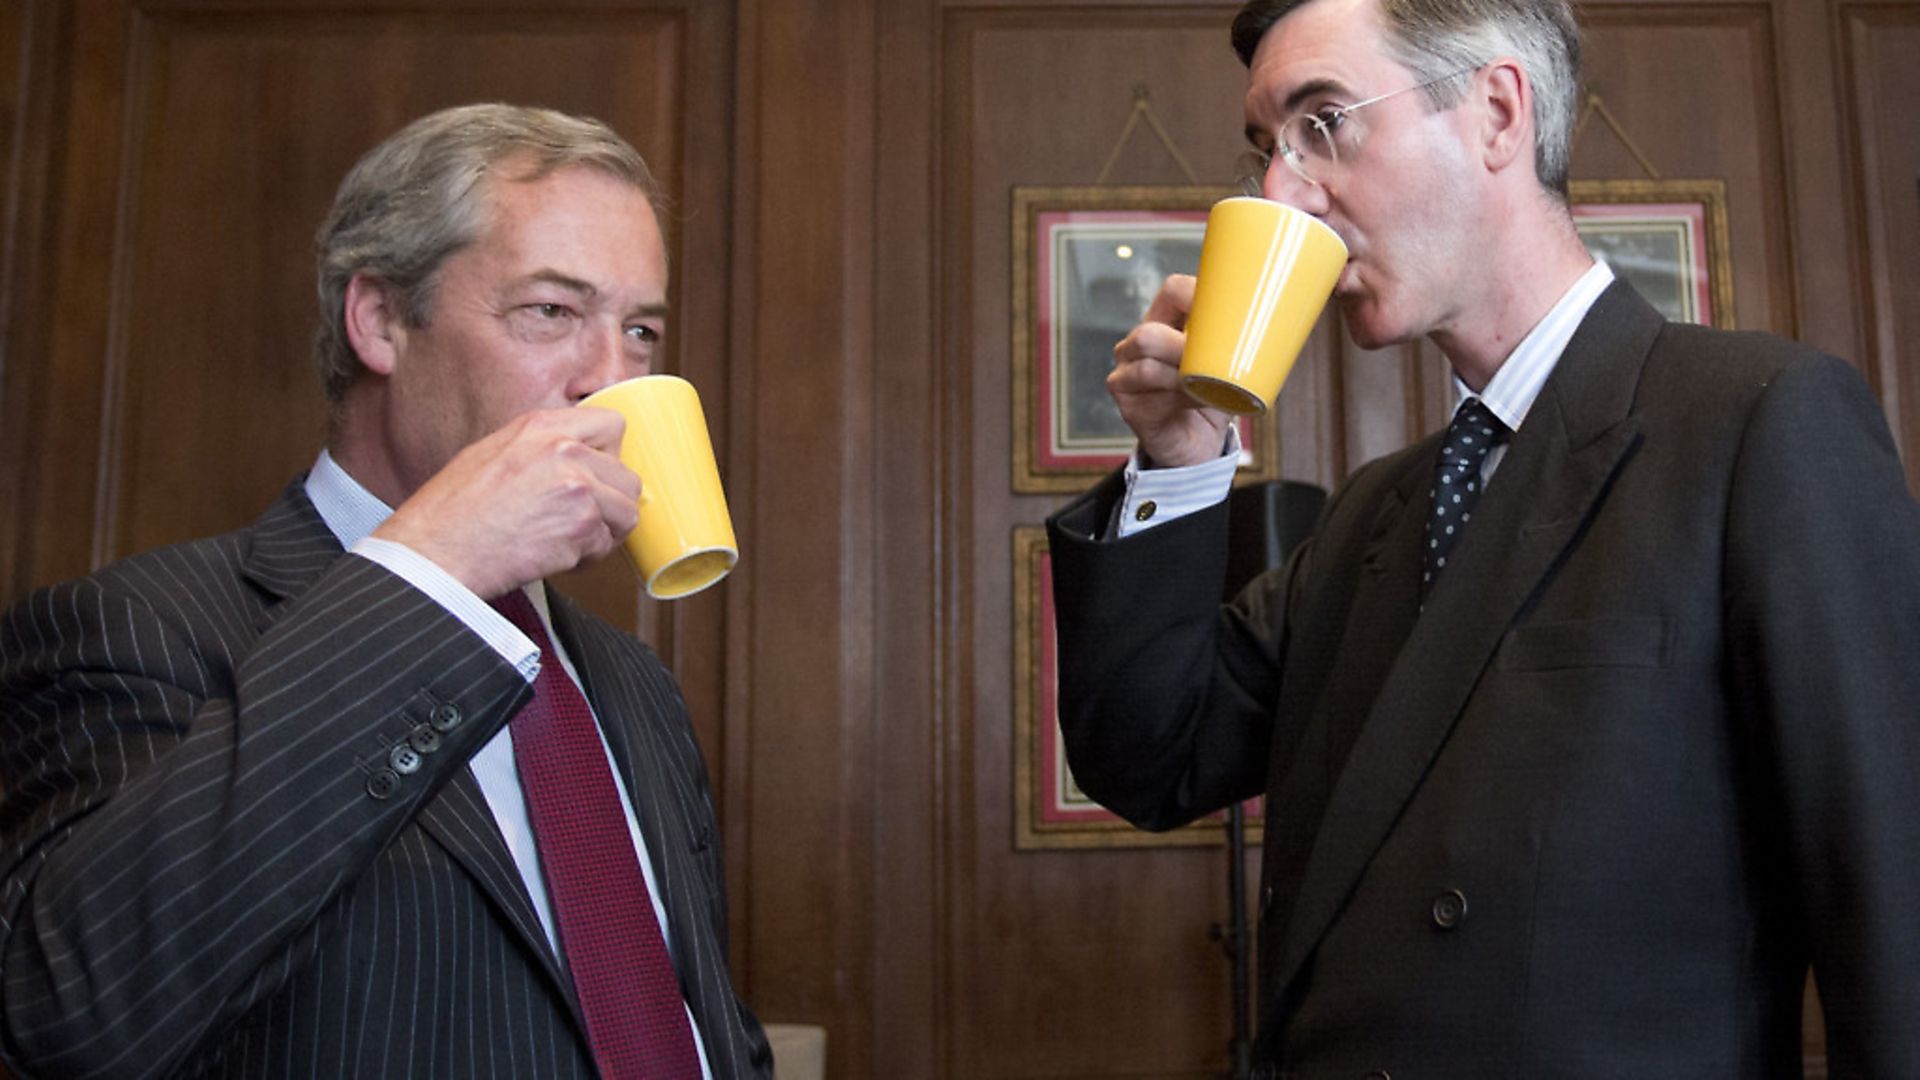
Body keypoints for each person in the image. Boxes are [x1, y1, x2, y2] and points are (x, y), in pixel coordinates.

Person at [1045, 0, 1920, 1075]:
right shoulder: (1375, 513)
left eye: (1325, 123)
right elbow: (1149, 754)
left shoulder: (1758, 423)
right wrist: (1180, 459)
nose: (1280, 191)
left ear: (1498, 113)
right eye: (1265, 149)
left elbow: (1894, 910)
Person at [0, 104, 771, 1078]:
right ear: (378, 320)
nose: (609, 380)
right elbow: (72, 1014)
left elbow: (696, 1026)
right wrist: (431, 575)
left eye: (642, 329)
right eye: (552, 311)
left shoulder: (630, 684)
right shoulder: (135, 629)